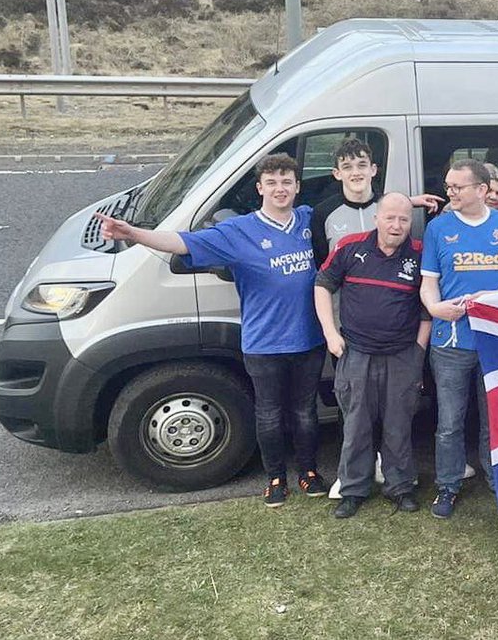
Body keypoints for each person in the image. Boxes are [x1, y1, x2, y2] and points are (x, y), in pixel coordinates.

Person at [94, 153, 328, 508]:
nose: (280, 189)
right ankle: (275, 478)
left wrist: (409, 202)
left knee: (304, 412)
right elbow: (182, 243)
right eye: (273, 182)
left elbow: (353, 210)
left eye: (287, 182)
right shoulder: (238, 231)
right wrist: (134, 234)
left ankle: (308, 472)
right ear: (260, 187)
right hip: (263, 342)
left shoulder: (308, 220)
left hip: (309, 339)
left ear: (297, 187)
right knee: (269, 413)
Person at [420, 158, 498, 519]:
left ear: (482, 190)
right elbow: (429, 283)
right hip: (451, 341)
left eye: (458, 187)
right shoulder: (438, 228)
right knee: (450, 421)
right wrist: (435, 308)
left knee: (496, 418)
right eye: (449, 186)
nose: (450, 192)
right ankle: (448, 485)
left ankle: (497, 477)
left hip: (496, 340)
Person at [313, 193, 430, 518]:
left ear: (410, 222)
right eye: (390, 218)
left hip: (402, 354)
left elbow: (426, 309)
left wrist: (419, 351)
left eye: (403, 219)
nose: (396, 225)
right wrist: (330, 333)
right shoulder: (350, 247)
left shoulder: (420, 255)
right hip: (357, 353)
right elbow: (322, 285)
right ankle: (353, 489)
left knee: (398, 424)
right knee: (356, 425)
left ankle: (401, 487)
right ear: (377, 218)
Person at [310, 138, 444, 266]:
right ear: (337, 173)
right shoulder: (323, 212)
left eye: (362, 165)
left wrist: (408, 201)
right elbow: (321, 264)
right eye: (347, 167)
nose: (355, 173)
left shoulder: (389, 208)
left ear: (373, 170)